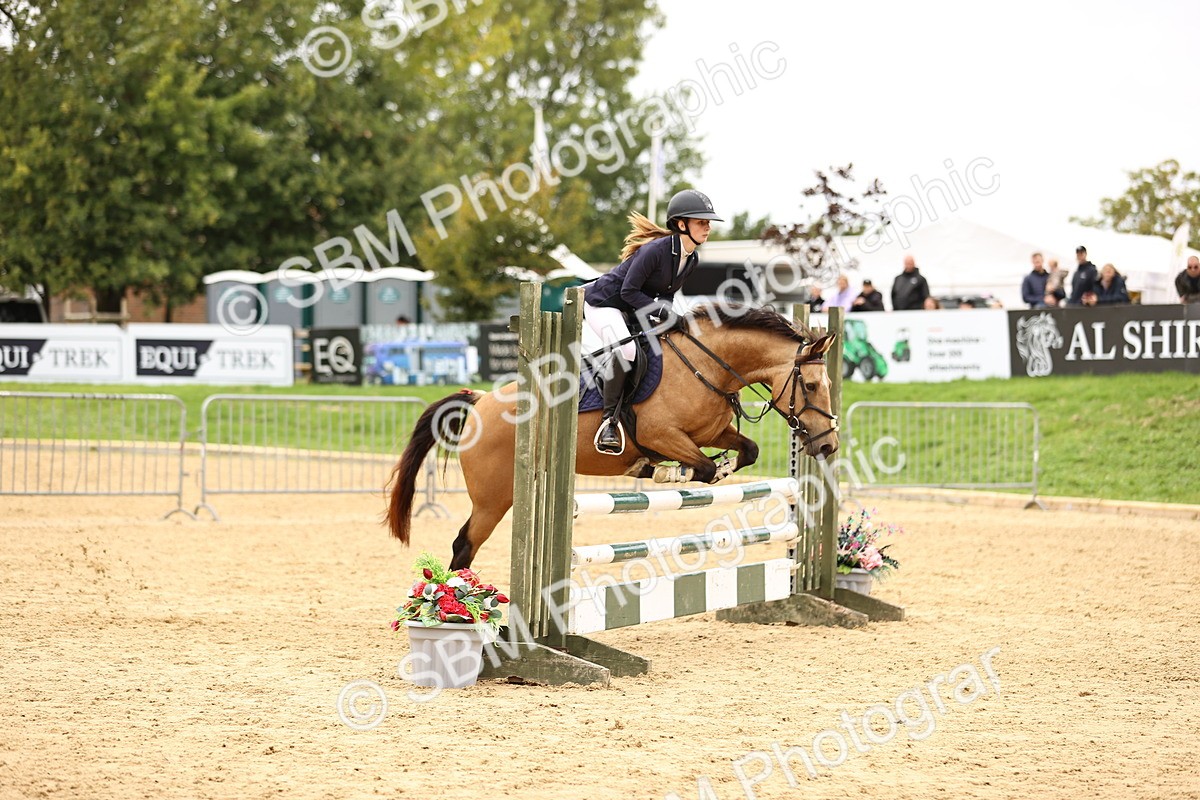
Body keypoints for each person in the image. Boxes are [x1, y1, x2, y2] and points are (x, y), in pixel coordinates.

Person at [582, 188, 721, 454]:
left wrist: (668, 317)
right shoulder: (655, 251)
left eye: (708, 222)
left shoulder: (691, 257)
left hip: (633, 307)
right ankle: (609, 422)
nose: (708, 227)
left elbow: (666, 294)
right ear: (682, 224)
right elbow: (627, 291)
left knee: (668, 342)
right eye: (701, 221)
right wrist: (662, 312)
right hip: (604, 304)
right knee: (627, 349)